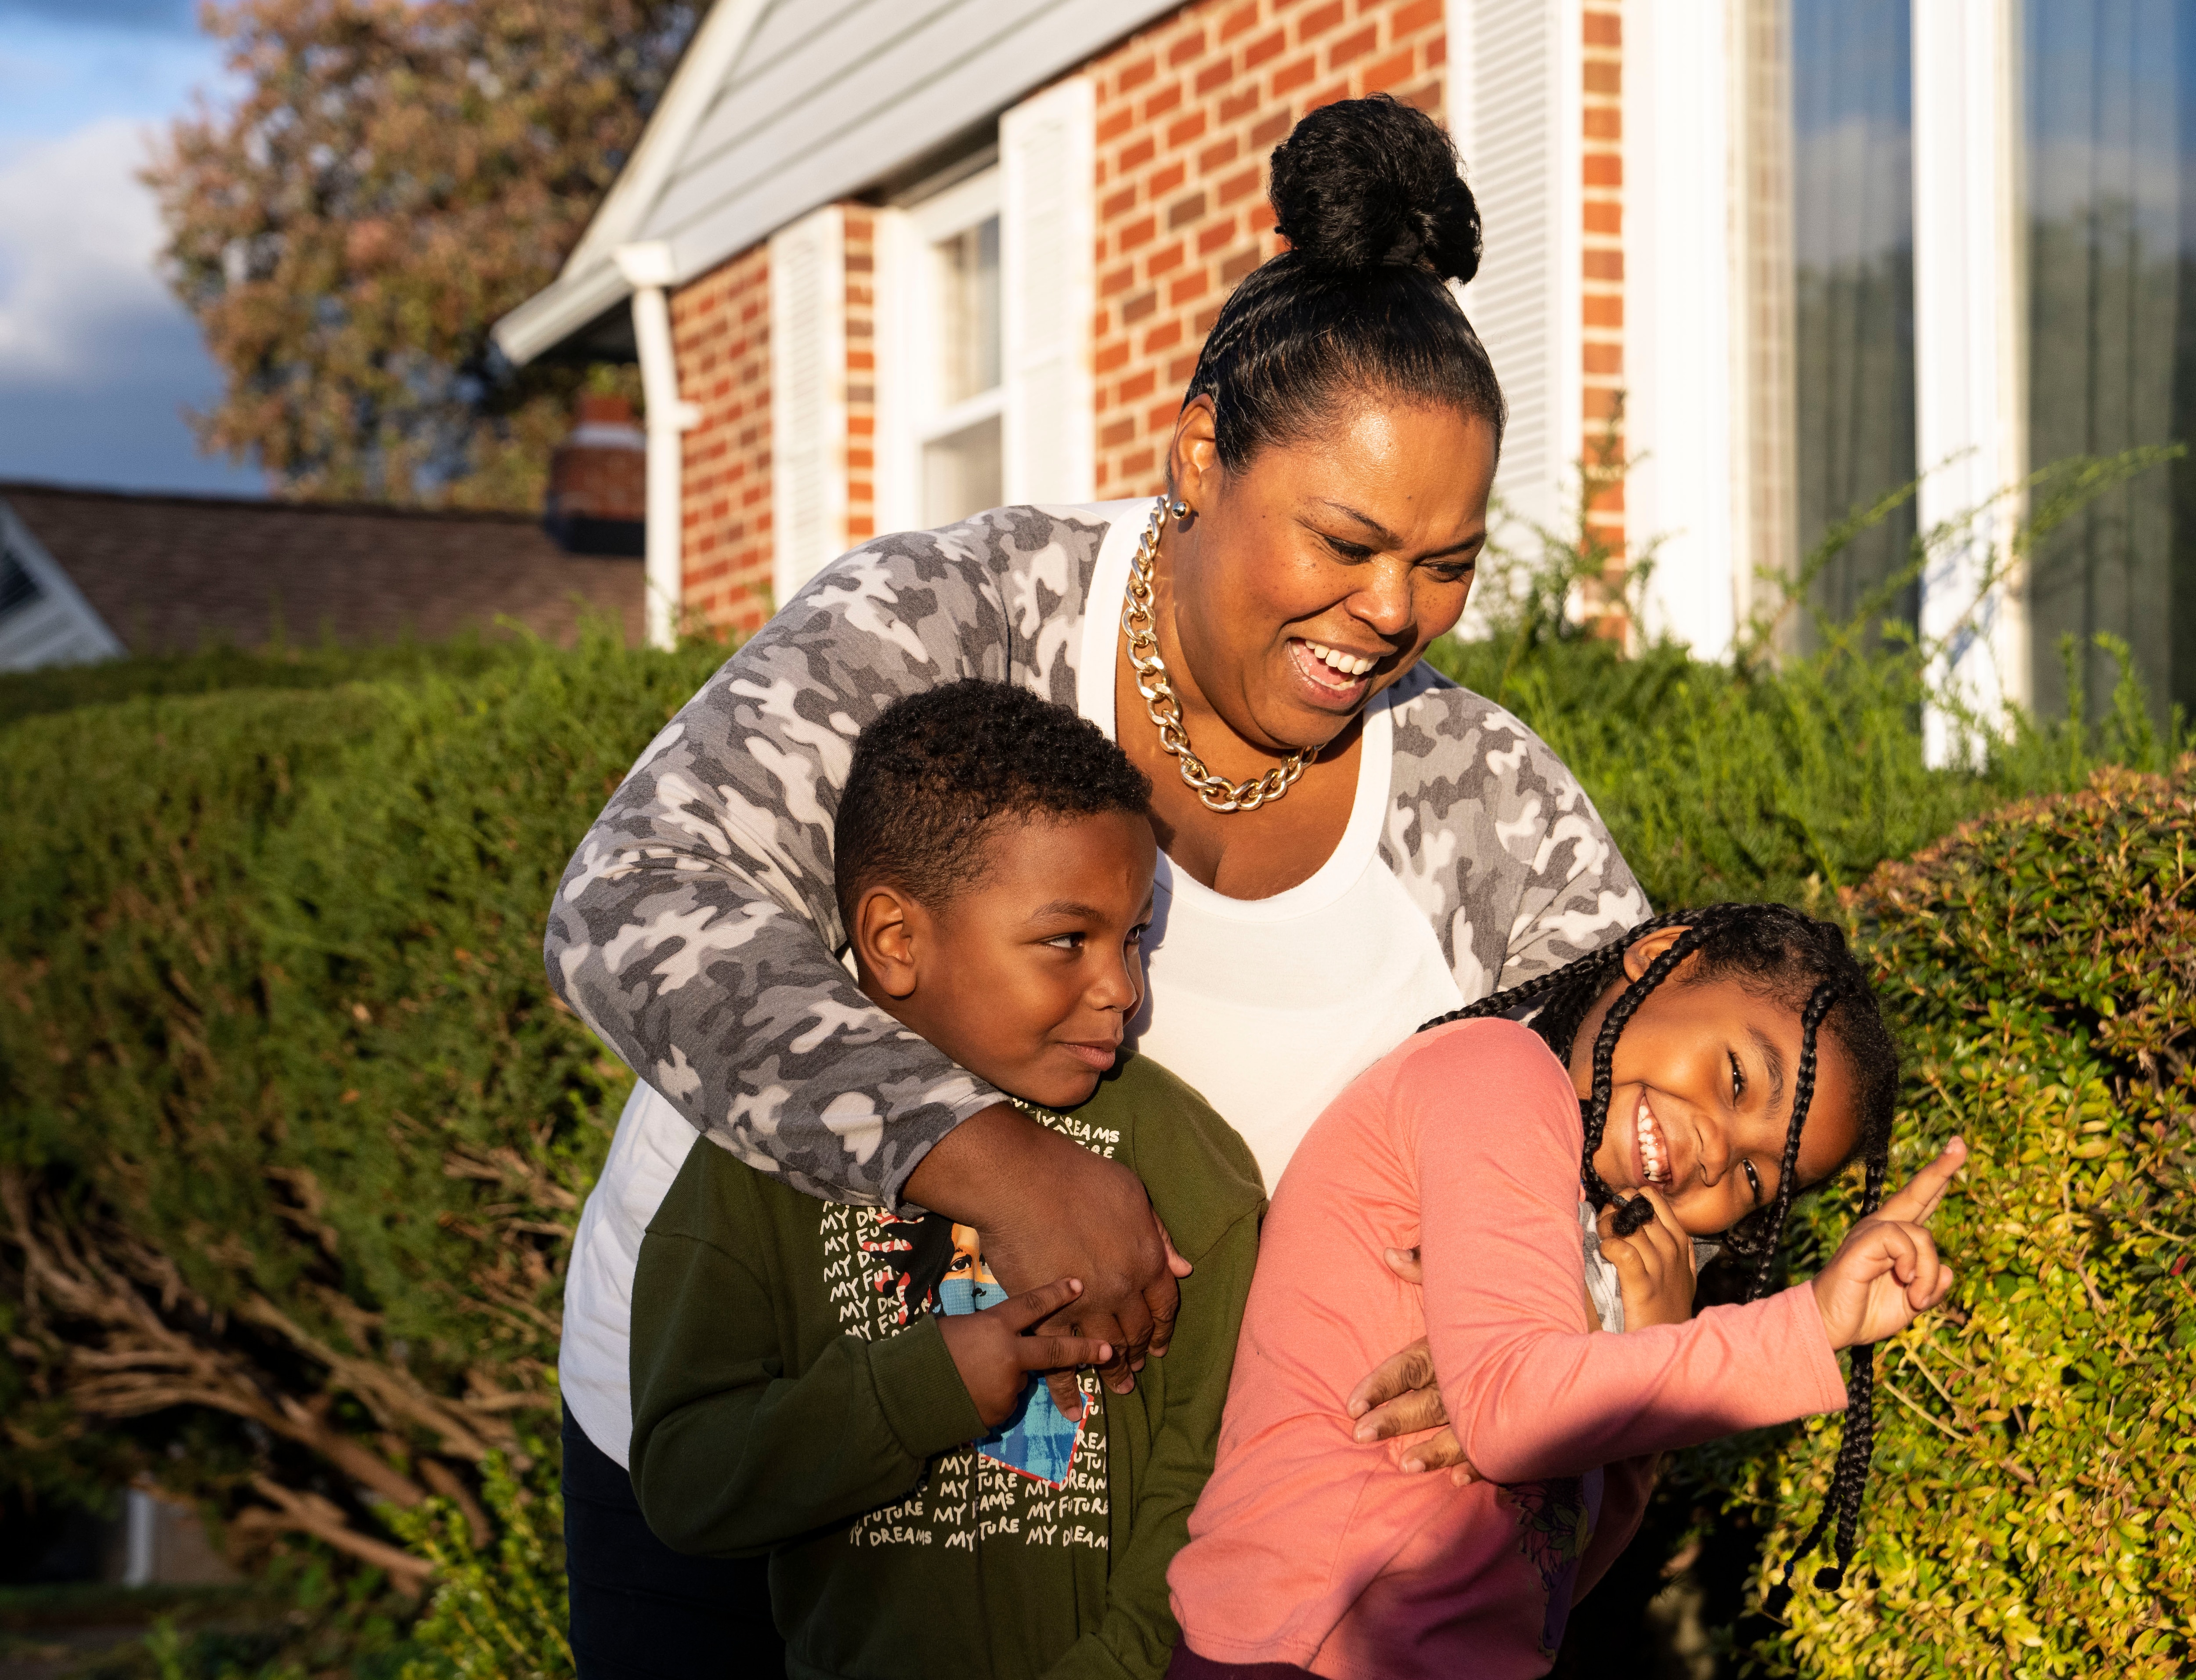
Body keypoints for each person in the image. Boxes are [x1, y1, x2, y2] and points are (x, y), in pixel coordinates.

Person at [549, 94, 1647, 1670]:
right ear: (1199, 447)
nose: (1393, 610)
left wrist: (1562, 1328)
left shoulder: (1479, 802)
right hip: (759, 1442)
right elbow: (634, 900)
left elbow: (1653, 1126)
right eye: (1343, 540)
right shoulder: (956, 614)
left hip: (1154, 1543)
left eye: (1449, 561)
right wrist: (990, 1155)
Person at [626, 682, 1265, 1678]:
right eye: (1068, 939)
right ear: (894, 940)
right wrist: (929, 1386)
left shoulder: (1187, 1164)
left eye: (1134, 936)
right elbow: (688, 1480)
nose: (1122, 988)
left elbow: (1212, 1485)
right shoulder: (762, 1162)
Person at [1165, 904, 1968, 1678]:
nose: (1720, 1154)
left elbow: (1554, 1575)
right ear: (1664, 958)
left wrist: (1642, 1366)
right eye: (1735, 1078)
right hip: (1300, 1649)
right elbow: (1512, 1413)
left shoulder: (1596, 1251)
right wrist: (1809, 1322)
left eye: (1760, 1177)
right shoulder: (1496, 1074)